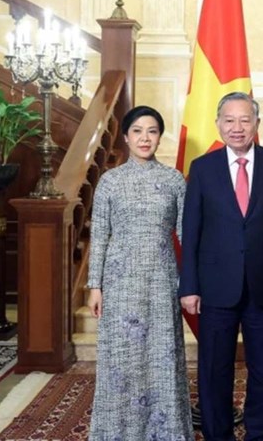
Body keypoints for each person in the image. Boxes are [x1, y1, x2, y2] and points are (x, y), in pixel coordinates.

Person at [179, 92, 263, 441]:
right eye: (229, 120)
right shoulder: (202, 169)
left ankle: (259, 434)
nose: (237, 127)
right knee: (214, 370)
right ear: (218, 124)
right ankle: (219, 435)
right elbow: (193, 230)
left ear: (257, 125)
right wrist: (188, 286)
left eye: (245, 120)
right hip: (215, 286)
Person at [86, 106, 194, 440]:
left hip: (162, 281)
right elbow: (99, 234)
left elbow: (187, 236)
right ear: (126, 137)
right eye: (137, 131)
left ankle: (166, 432)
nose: (145, 138)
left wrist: (190, 283)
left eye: (152, 131)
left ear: (160, 136)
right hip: (119, 283)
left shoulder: (174, 179)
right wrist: (94, 286)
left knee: (161, 358)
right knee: (123, 360)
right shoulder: (110, 181)